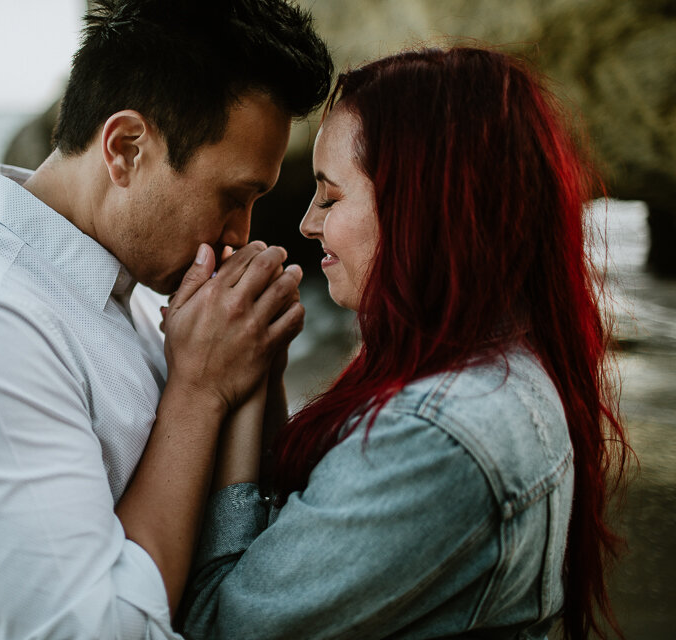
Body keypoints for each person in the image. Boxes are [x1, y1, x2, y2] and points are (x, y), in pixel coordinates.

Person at [0, 1, 332, 638]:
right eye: (233, 197)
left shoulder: (125, 294)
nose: (240, 234)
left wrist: (255, 368)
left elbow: (240, 534)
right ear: (125, 148)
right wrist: (197, 390)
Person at [176, 47, 630, 639]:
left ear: (419, 207)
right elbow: (296, 544)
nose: (307, 223)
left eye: (331, 197)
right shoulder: (500, 368)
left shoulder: (435, 437)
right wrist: (258, 370)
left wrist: (214, 388)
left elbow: (219, 623)